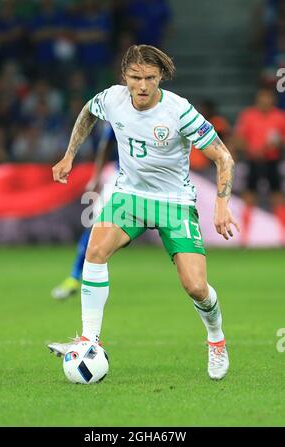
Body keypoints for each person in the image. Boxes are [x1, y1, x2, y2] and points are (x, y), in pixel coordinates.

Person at [48, 45, 239, 380]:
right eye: (135, 77)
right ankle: (88, 339)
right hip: (130, 196)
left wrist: (222, 205)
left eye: (150, 77)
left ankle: (216, 339)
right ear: (125, 76)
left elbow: (223, 157)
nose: (143, 85)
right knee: (95, 251)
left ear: (160, 76)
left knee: (196, 287)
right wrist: (69, 155)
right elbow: (88, 113)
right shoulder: (113, 98)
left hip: (174, 202)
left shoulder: (179, 111)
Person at [51, 122, 117, 299]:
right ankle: (74, 277)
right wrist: (96, 177)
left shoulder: (163, 112)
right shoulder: (120, 110)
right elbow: (106, 145)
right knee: (95, 226)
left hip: (155, 184)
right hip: (121, 179)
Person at [234, 86, 285, 244]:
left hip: (272, 161)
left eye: (267, 97)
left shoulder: (279, 117)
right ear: (257, 99)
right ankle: (244, 239)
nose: (264, 100)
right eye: (262, 97)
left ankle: (282, 237)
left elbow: (282, 140)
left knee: (277, 197)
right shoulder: (248, 115)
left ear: (273, 100)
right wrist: (251, 149)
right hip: (253, 161)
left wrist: (277, 144)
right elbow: (239, 138)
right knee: (249, 197)